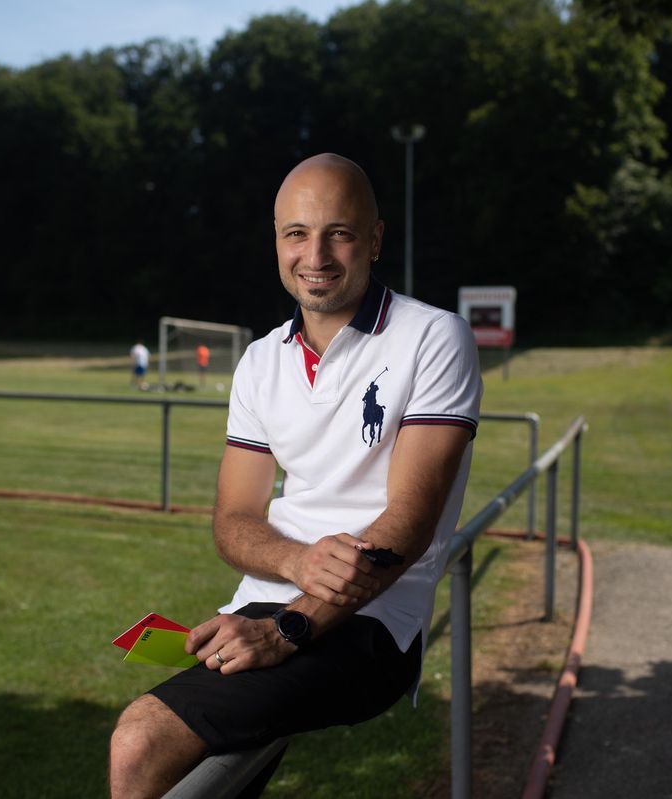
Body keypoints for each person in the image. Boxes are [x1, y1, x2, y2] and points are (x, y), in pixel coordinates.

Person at [109, 153, 483, 798]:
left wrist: (290, 628)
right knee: (204, 775)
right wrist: (295, 561)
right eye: (297, 234)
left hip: (375, 619)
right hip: (265, 599)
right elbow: (233, 520)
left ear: (375, 239)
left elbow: (408, 524)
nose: (316, 255)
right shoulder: (260, 361)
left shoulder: (434, 336)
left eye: (339, 233)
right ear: (277, 241)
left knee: (140, 739)